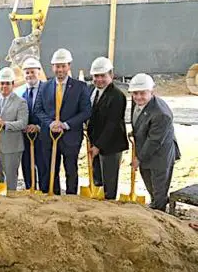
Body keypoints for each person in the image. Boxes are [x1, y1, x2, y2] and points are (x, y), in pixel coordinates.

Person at [34, 48, 91, 195]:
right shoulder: (44, 86)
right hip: (49, 136)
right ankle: (54, 196)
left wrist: (66, 125)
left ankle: (71, 198)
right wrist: (51, 123)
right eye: (57, 66)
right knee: (51, 169)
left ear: (69, 66)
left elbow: (86, 112)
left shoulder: (80, 87)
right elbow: (38, 110)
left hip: (70, 136)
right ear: (52, 67)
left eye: (63, 66)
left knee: (71, 169)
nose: (60, 69)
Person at [129, 73, 180, 211]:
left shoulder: (161, 113)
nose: (138, 97)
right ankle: (155, 203)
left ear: (152, 92)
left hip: (160, 155)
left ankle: (160, 213)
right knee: (148, 182)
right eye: (135, 93)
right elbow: (142, 123)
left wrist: (139, 159)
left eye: (142, 93)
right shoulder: (137, 102)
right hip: (145, 149)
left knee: (159, 188)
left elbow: (154, 141)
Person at [87, 57, 128, 200]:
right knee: (97, 176)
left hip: (111, 145)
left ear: (111, 75)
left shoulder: (117, 96)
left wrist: (98, 145)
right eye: (96, 76)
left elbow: (112, 124)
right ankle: (99, 203)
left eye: (102, 76)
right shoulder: (92, 90)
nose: (99, 79)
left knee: (109, 180)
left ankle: (109, 206)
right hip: (95, 142)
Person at [0, 67, 28, 190]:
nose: (4, 86)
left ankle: (11, 204)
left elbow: (22, 123)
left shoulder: (21, 102)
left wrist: (4, 124)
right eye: (2, 83)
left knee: (10, 178)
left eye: (7, 83)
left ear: (13, 84)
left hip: (11, 146)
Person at [20, 58, 49, 192]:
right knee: (27, 164)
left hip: (43, 135)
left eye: (32, 72)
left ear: (38, 72)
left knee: (42, 164)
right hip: (26, 135)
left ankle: (43, 190)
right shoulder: (22, 94)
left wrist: (39, 127)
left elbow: (51, 112)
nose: (29, 75)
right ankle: (29, 189)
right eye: (27, 72)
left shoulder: (47, 90)